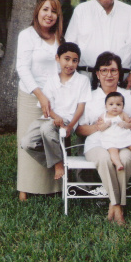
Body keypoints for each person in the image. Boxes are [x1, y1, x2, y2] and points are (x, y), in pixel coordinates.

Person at [76, 52, 131, 225]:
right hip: (97, 143)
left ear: (120, 73)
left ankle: (114, 204)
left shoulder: (129, 96)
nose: (109, 75)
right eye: (104, 70)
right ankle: (117, 206)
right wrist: (97, 127)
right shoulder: (89, 98)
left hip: (122, 142)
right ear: (97, 73)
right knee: (104, 159)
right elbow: (79, 129)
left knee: (124, 158)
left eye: (114, 71)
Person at [16, 0, 63, 201]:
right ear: (37, 12)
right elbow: (22, 68)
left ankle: (55, 187)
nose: (49, 15)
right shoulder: (27, 35)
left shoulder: (61, 38)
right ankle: (25, 188)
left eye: (53, 11)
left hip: (54, 97)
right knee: (28, 139)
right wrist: (40, 95)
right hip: (30, 95)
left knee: (51, 138)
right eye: (45, 9)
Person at [20, 43, 91, 180]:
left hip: (67, 120)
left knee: (47, 129)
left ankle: (58, 164)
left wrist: (70, 126)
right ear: (57, 58)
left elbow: (80, 107)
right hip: (49, 117)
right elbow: (46, 106)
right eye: (67, 59)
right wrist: (55, 117)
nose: (70, 64)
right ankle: (60, 163)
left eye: (74, 60)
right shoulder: (52, 80)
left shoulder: (83, 80)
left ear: (78, 62)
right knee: (26, 142)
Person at [100, 92, 131, 173]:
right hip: (110, 137)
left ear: (123, 106)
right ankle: (118, 163)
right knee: (112, 150)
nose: (115, 107)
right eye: (111, 104)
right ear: (106, 106)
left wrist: (125, 124)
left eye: (118, 105)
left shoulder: (123, 114)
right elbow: (100, 128)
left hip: (123, 136)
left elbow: (130, 124)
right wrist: (105, 125)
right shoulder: (104, 116)